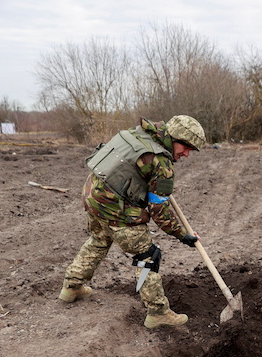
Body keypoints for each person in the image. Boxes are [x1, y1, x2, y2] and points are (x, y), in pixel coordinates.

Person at [58, 115, 205, 328]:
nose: (187, 154)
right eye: (186, 147)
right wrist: (183, 235)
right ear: (173, 138)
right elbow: (159, 212)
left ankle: (71, 286)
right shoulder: (162, 163)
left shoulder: (138, 134)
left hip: (92, 195)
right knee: (148, 255)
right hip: (114, 206)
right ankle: (157, 312)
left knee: (99, 239)